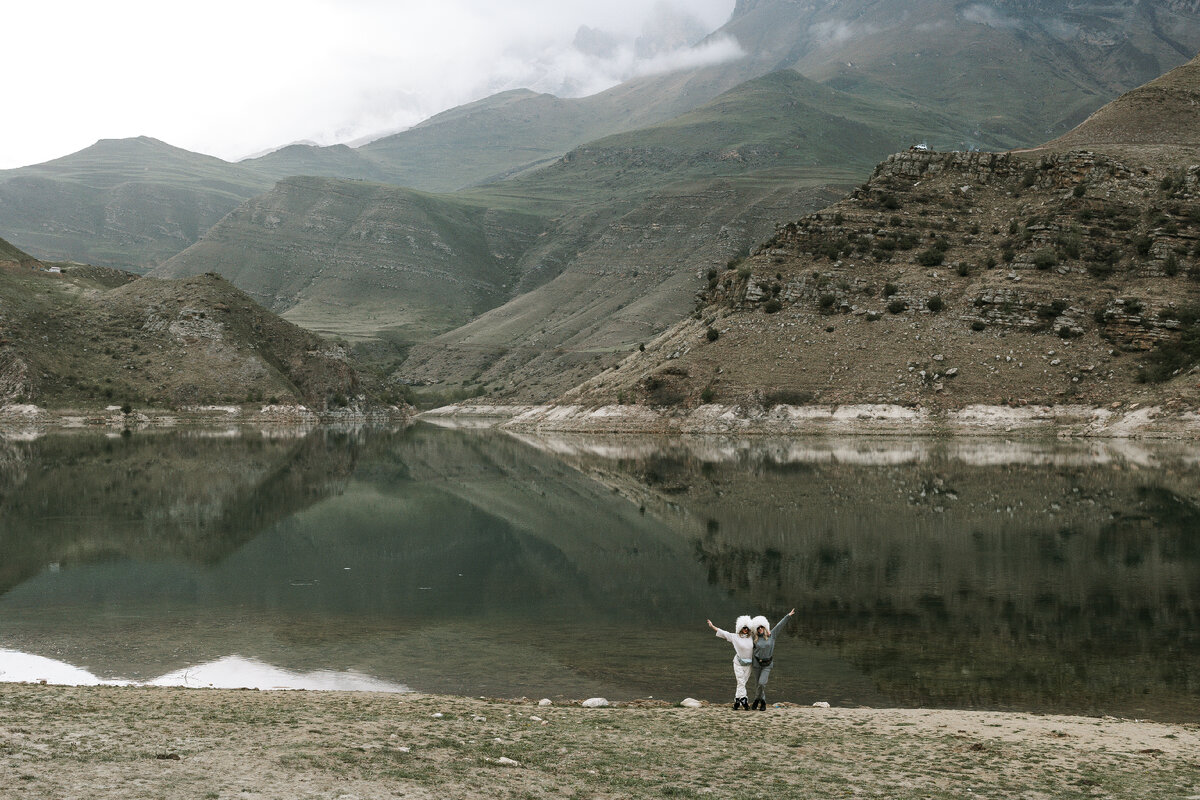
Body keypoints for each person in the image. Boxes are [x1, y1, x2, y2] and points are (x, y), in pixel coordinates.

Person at [749, 608, 795, 710]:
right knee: (758, 684)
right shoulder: (754, 638)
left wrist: (788, 616)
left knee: (762, 683)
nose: (760, 628)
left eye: (762, 627)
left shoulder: (771, 635)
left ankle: (758, 700)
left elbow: (780, 625)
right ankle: (763, 702)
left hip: (767, 664)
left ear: (765, 627)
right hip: (756, 664)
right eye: (758, 627)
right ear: (755, 629)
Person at [706, 615, 755, 710]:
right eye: (744, 627)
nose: (745, 629)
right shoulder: (734, 637)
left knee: (742, 683)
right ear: (740, 628)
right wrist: (712, 626)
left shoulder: (752, 637)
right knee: (741, 681)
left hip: (749, 664)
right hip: (738, 663)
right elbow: (723, 633)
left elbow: (762, 634)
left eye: (747, 628)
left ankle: (737, 701)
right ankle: (744, 700)